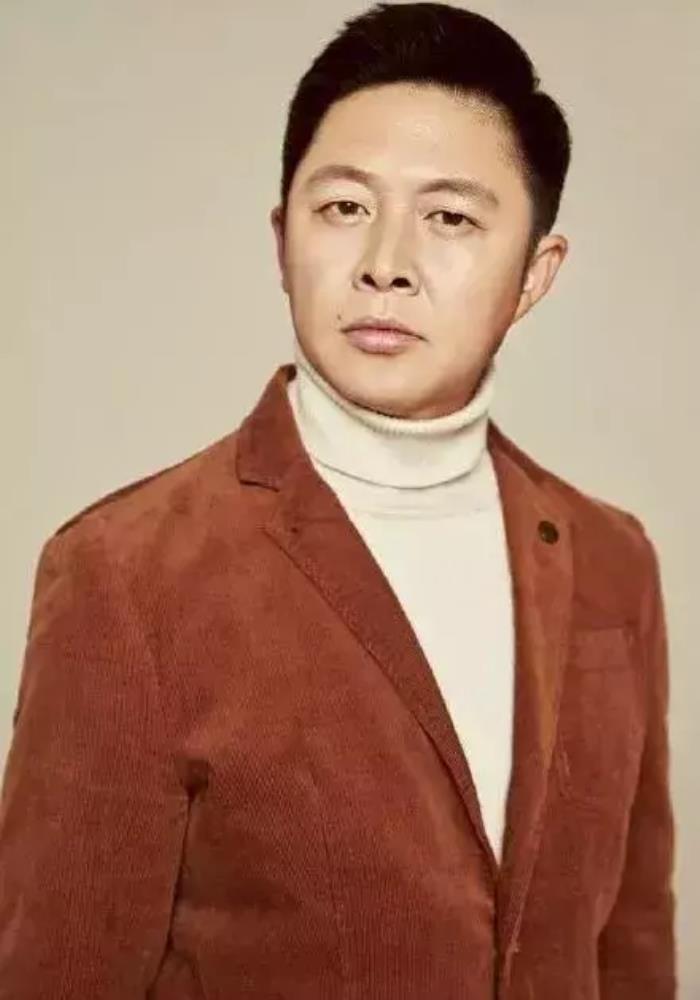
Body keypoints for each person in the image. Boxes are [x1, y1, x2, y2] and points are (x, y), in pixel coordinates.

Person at [0, 3, 676, 997]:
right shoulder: (126, 572)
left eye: (450, 218)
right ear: (283, 239)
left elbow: (634, 945)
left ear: (535, 273)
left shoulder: (612, 559)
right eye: (344, 207)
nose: (384, 264)